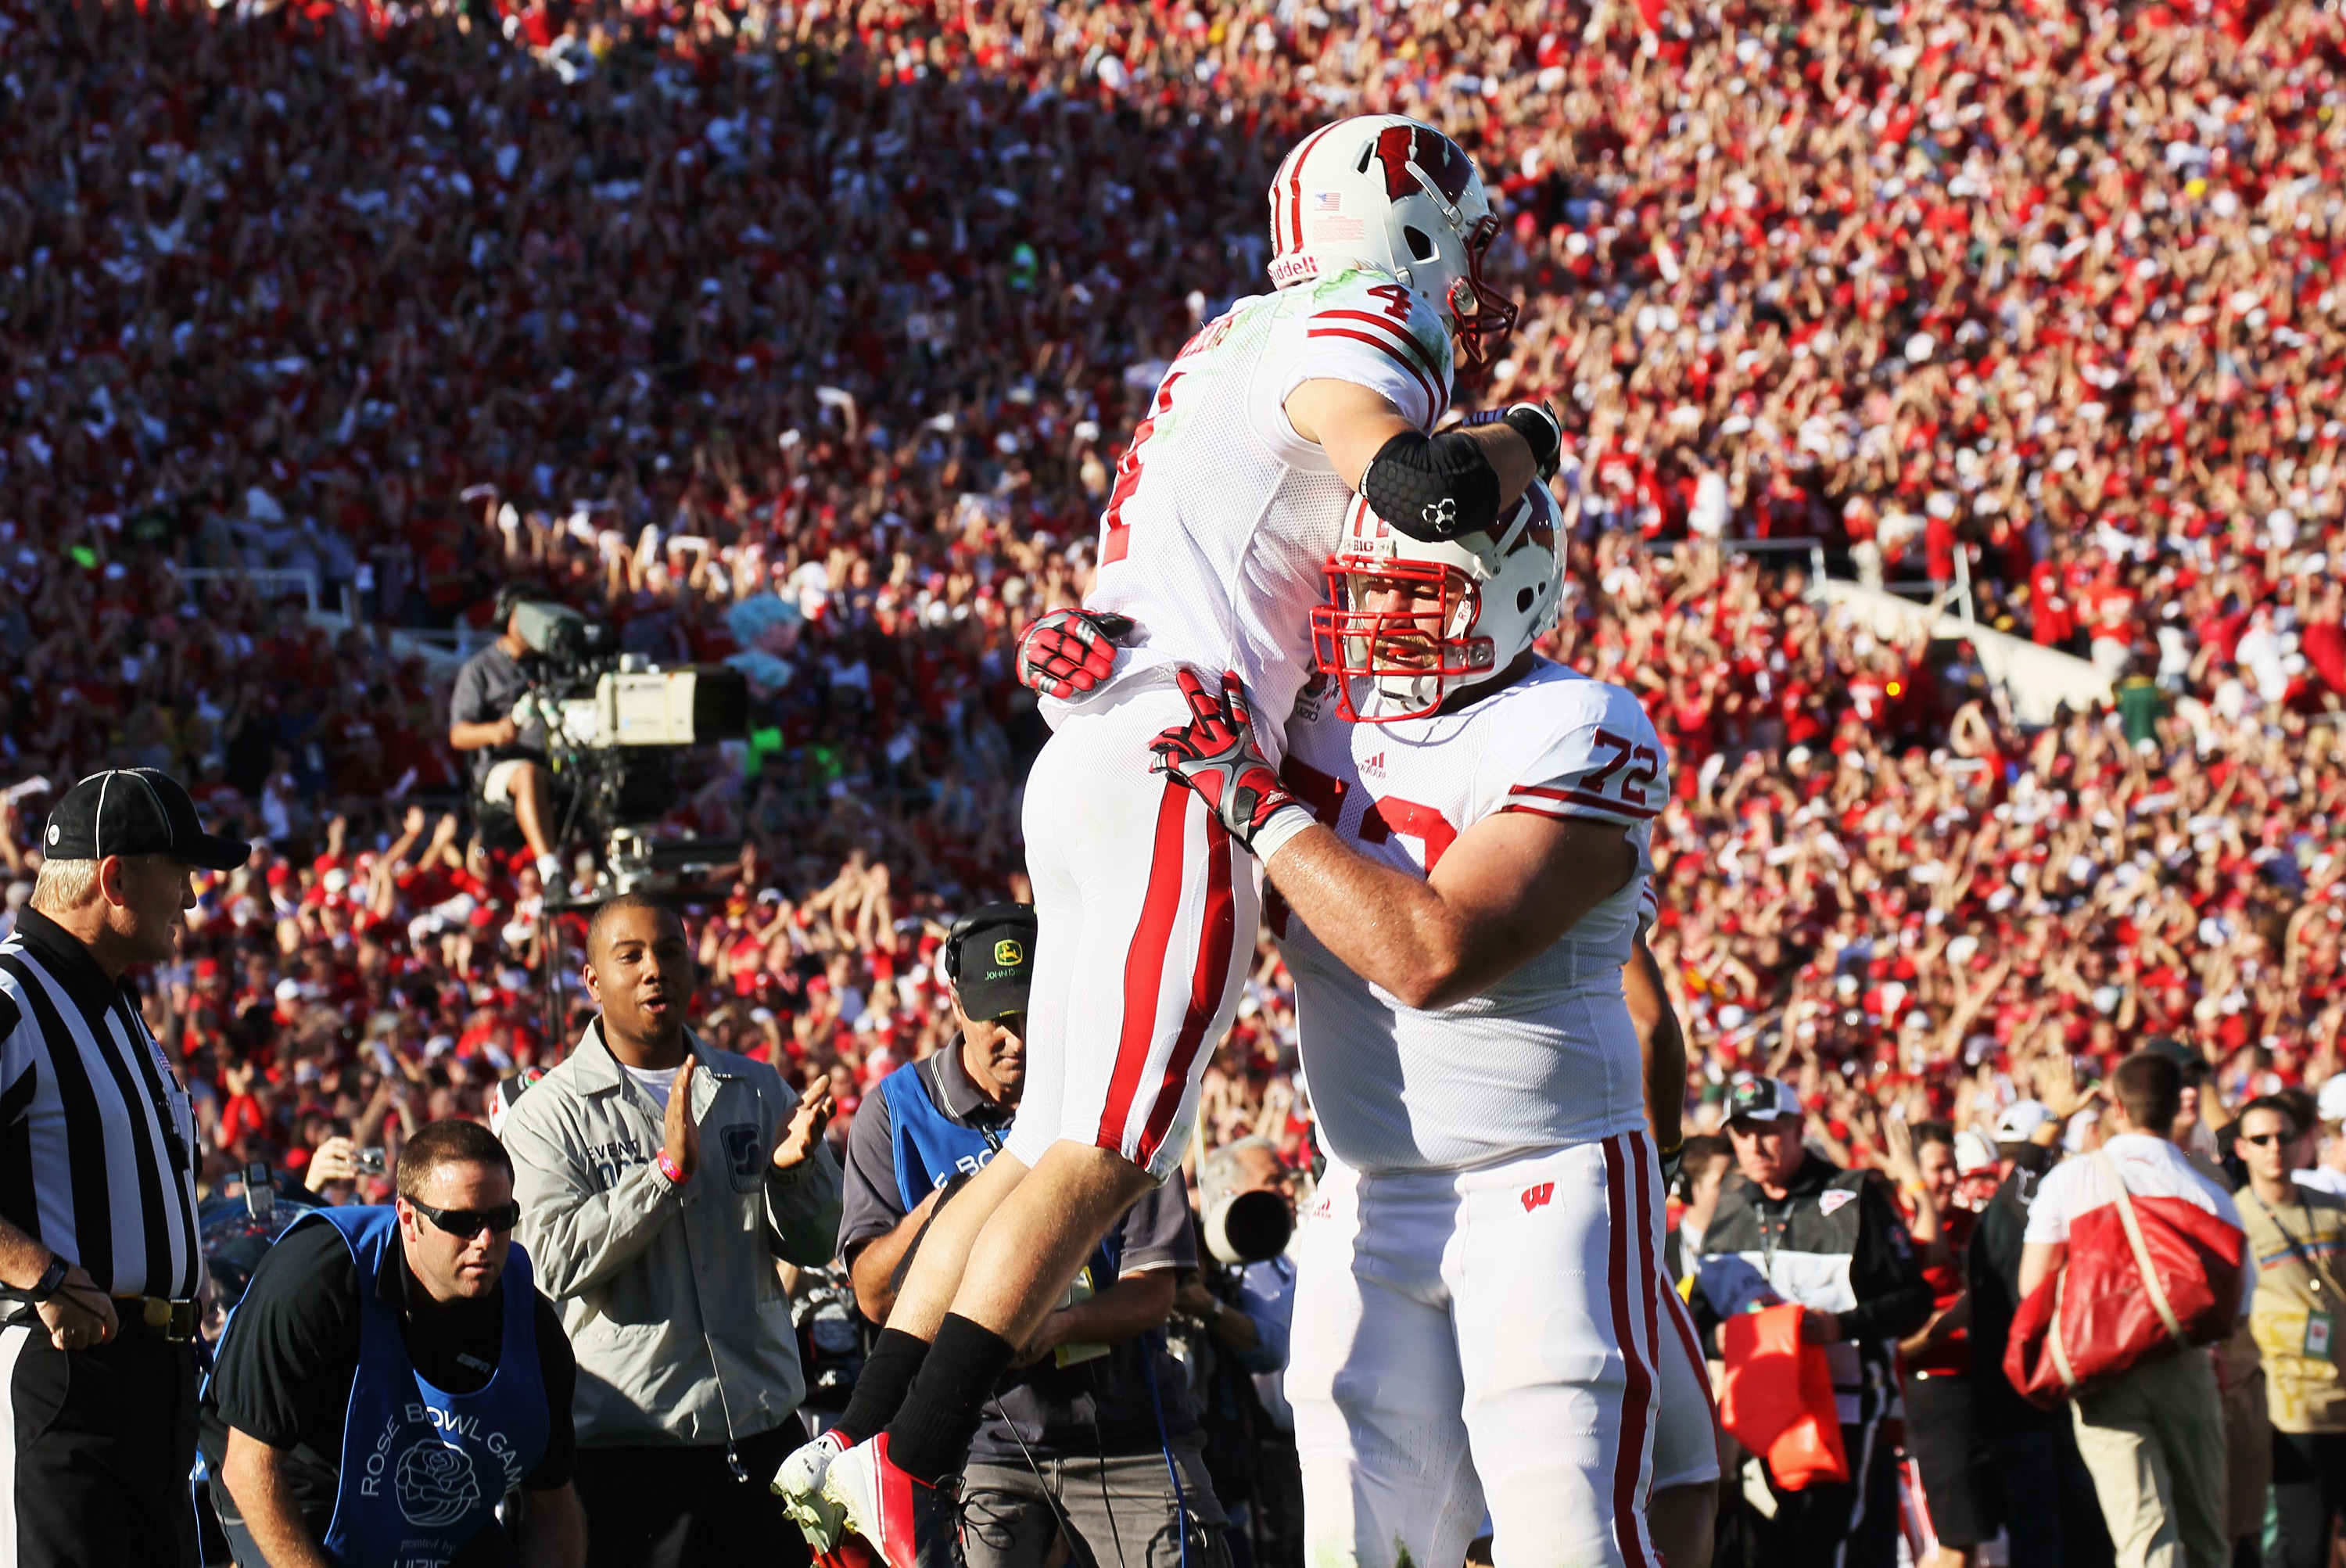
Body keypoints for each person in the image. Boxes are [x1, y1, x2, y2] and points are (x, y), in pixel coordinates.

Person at [780, 112, 1558, 1568]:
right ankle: (919, 1462)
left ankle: (869, 1434)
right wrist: (1532, 437)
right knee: (1109, 1150)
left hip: (1100, 747)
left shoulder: (1233, 334)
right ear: (1406, 234)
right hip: (1178, 766)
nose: (1474, 282)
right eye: (1463, 245)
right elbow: (1420, 491)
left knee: (1038, 1146)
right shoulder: (1363, 312)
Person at [1135, 478, 1673, 1568]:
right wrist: (1101, 683)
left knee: (1566, 1539)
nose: (1374, 623)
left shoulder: (1576, 724)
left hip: (1546, 1174)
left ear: (1513, 592)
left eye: (1412, 596)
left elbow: (1432, 956)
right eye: (1365, 590)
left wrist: (1258, 799)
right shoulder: (1321, 712)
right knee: (1357, 1541)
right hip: (1366, 1184)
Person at [828, 902, 1225, 1568]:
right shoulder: (894, 1113)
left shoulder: (1117, 1095)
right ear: (955, 1002)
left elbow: (1155, 1288)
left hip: (1127, 1434)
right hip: (976, 1443)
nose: (1015, 1037)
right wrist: (946, 1211)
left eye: (1029, 1014)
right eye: (996, 1019)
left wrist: (1051, 1328)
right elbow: (872, 1296)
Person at [501, 892, 841, 1568]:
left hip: (763, 1438)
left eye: (670, 951)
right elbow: (548, 1263)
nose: (654, 968)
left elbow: (812, 1244)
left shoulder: (754, 1087)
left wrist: (795, 1176)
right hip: (629, 1454)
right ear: (593, 980)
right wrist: (662, 1176)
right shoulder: (547, 1114)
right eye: (630, 955)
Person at [0, 768, 249, 1566]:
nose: (193, 899)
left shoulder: (114, 1005)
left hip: (156, 1388)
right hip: (67, 1377)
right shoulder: (12, 993)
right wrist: (38, 1272)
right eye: (181, 874)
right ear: (115, 876)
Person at [201, 1118, 586, 1568]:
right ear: (408, 1218)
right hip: (294, 1481)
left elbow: (553, 1503)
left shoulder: (531, 1326)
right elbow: (247, 1468)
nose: (485, 1241)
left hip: (433, 1493)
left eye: (502, 1220)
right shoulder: (315, 1280)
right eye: (461, 1222)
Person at [2018, 1051, 2247, 1568]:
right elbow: (2239, 1306)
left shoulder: (2070, 1180)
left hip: (2100, 1365)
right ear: (2177, 1109)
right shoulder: (2209, 1191)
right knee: (2206, 1534)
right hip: (2187, 1363)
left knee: (2143, 1534)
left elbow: (2032, 1285)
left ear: (2117, 1106)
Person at [1693, 1078, 1932, 1568]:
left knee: (1825, 1547)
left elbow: (1915, 1300)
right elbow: (1699, 1312)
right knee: (1769, 1550)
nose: (1754, 1146)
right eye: (1741, 1133)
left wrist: (1841, 1327)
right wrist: (1714, 1337)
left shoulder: (1853, 1195)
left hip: (1844, 1409)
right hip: (1758, 1413)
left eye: (1767, 1130)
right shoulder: (1731, 1204)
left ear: (1799, 1127)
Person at [1962, 1101, 2111, 1568]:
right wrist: (2052, 1127)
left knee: (2068, 1531)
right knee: (2047, 1537)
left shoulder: (2016, 1214)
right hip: (2022, 1405)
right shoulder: (2008, 1213)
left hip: (2048, 1401)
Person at [2233, 1095, 2346, 1568]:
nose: (2274, 1147)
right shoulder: (2234, 1217)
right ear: (2241, 1148)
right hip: (2287, 1409)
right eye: (2261, 1139)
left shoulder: (2333, 1209)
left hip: (2343, 1396)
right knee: (2299, 1548)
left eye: (2284, 1136)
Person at [1885, 1120, 1994, 1568]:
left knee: (1976, 1539)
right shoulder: (1893, 1235)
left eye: (1954, 1167)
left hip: (1980, 1395)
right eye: (1938, 1168)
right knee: (1944, 1544)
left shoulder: (1975, 1226)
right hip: (1929, 1399)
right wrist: (1938, 1331)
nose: (1951, 1178)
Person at [447, 587, 560, 878]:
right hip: (501, 768)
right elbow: (458, 734)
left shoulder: (553, 665)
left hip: (559, 759)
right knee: (527, 774)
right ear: (509, 619)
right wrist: (495, 731)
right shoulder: (480, 669)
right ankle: (551, 870)